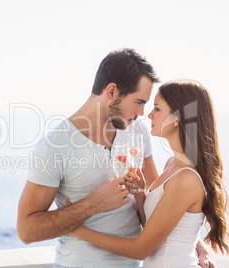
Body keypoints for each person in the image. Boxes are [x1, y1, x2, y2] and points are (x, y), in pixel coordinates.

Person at [17, 49, 213, 267]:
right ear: (112, 91)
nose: (143, 113)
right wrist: (92, 205)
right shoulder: (54, 147)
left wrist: (195, 244)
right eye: (139, 102)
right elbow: (26, 230)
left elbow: (162, 208)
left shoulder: (136, 130)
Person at [70, 80, 229, 267]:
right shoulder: (173, 164)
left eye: (157, 108)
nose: (150, 114)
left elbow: (141, 249)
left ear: (178, 117)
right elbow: (154, 227)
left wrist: (77, 230)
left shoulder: (186, 179)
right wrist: (139, 192)